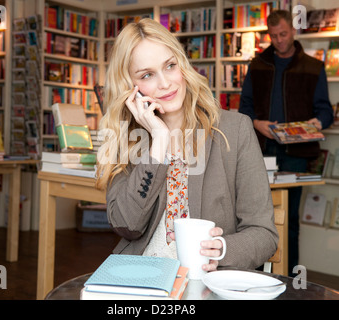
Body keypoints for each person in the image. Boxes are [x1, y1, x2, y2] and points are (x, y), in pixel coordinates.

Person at [96, 18, 278, 273]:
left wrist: (222, 249)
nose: (165, 83)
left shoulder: (235, 130)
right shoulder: (125, 138)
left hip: (208, 280)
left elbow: (264, 234)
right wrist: (159, 142)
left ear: (182, 64)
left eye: (170, 66)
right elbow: (128, 225)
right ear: (130, 88)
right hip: (144, 277)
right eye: (147, 75)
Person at [239, 10, 334, 275]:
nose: (279, 41)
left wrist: (315, 124)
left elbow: (325, 111)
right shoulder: (257, 65)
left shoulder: (313, 67)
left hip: (297, 153)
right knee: (256, 218)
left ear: (293, 30)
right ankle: (256, 274)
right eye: (274, 36)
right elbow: (244, 109)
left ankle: (290, 278)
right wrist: (258, 124)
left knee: (290, 220)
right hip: (261, 152)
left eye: (283, 34)